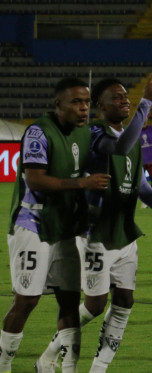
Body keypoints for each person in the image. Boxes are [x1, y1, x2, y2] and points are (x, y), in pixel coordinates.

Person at [35, 73, 152, 373]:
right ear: (100, 106)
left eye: (126, 95)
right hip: (96, 235)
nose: (124, 100)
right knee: (95, 304)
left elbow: (138, 181)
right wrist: (146, 100)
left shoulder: (131, 136)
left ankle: (98, 369)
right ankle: (48, 356)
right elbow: (121, 148)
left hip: (124, 233)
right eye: (116, 97)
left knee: (125, 301)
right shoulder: (94, 134)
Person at [2, 78, 111, 373]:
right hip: (33, 223)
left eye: (87, 102)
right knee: (27, 300)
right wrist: (82, 184)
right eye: (77, 102)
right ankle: (4, 364)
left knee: (69, 300)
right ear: (58, 104)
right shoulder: (38, 132)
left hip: (64, 228)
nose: (84, 107)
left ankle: (57, 365)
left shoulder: (85, 132)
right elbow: (35, 179)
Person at [140, 120, 152, 195]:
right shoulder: (136, 130)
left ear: (147, 119)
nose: (144, 119)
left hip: (151, 162)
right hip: (140, 162)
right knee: (139, 183)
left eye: (146, 117)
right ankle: (140, 199)